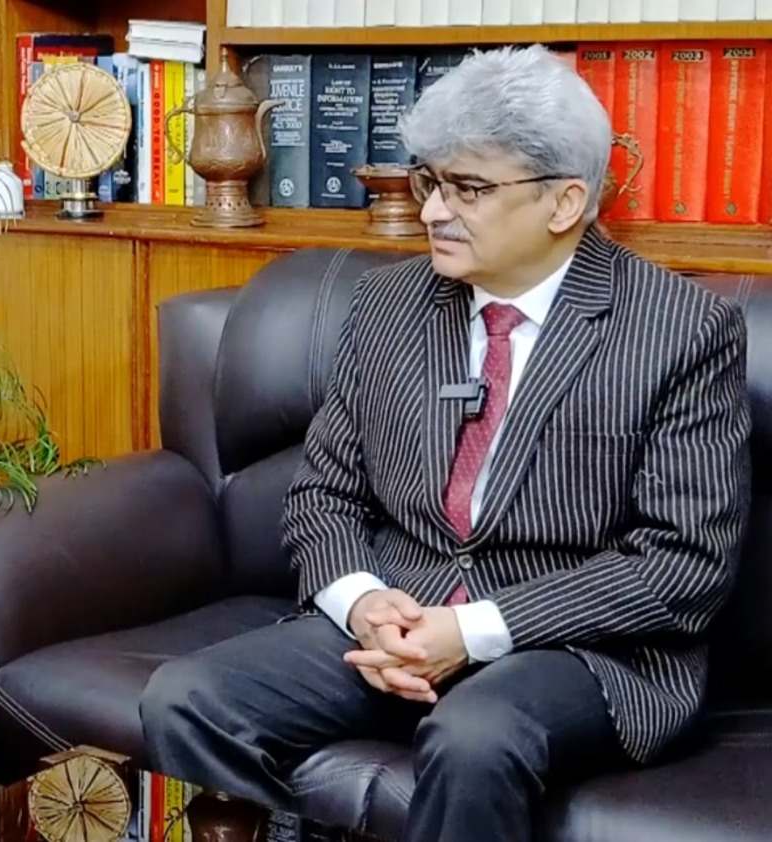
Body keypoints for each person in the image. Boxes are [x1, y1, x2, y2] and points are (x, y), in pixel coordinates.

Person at [140, 46, 750, 842]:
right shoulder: (388, 304)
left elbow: (682, 562)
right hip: (399, 618)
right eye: (430, 181)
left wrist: (470, 631)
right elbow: (323, 493)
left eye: (469, 188)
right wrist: (362, 602)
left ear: (565, 201)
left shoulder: (680, 330)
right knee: (186, 698)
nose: (431, 211)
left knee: (474, 737)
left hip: (580, 650)